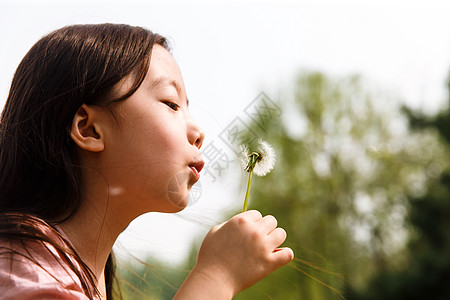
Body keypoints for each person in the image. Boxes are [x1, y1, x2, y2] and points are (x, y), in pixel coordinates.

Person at [0, 23, 294, 299]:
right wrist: (216, 277)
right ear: (89, 129)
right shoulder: (24, 273)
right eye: (171, 104)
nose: (198, 132)